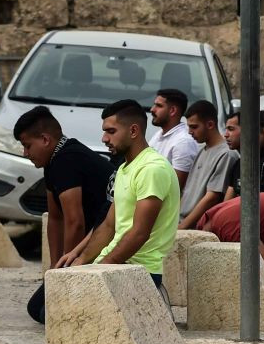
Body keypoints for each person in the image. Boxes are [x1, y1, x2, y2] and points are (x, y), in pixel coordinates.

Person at [51, 100, 179, 309]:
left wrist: (100, 270)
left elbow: (139, 233)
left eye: (111, 131)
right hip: (114, 265)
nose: (104, 138)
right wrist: (81, 261)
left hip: (138, 270)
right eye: (104, 132)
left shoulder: (152, 169)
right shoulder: (124, 169)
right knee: (46, 305)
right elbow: (109, 226)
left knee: (60, 310)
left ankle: (154, 304)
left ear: (134, 130)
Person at [15, 106, 114, 324]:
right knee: (36, 309)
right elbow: (56, 217)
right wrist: (53, 268)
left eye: (27, 146)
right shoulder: (52, 161)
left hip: (101, 240)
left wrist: (67, 273)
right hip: (83, 243)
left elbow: (75, 222)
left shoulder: (66, 160)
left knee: (47, 314)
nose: (25, 153)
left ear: (45, 139)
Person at [178, 100, 240, 229]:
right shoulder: (201, 150)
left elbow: (212, 197)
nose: (190, 132)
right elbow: (187, 191)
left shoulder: (227, 154)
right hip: (181, 221)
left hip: (196, 227)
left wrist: (182, 228)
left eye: (194, 127)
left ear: (210, 124)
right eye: (188, 127)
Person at [148, 88, 198, 191]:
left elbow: (175, 187)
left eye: (159, 106)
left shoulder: (184, 142)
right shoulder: (158, 135)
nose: (152, 109)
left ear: (172, 111)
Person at [222, 111, 264, 196]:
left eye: (231, 129)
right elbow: (227, 201)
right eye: (226, 129)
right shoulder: (238, 164)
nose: (226, 135)